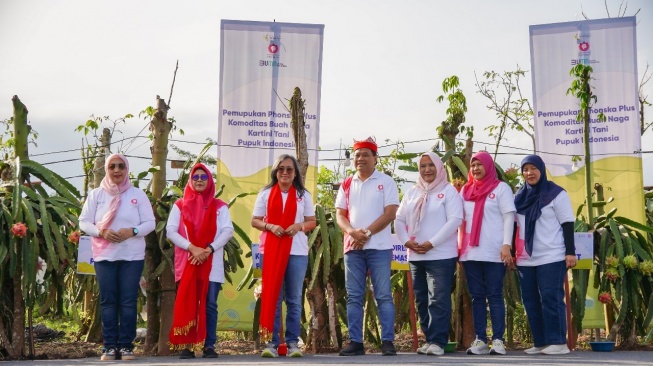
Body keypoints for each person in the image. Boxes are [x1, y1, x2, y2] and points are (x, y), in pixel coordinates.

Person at [79, 153, 155, 361]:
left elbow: (150, 223)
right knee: (108, 301)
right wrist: (101, 232)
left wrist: (133, 231)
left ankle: (126, 346)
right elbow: (84, 222)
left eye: (121, 166)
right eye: (112, 166)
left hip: (132, 256)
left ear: (127, 169)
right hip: (104, 256)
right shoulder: (96, 195)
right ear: (107, 169)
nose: (117, 170)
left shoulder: (138, 195)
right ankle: (110, 347)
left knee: (129, 301)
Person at [335, 137, 400, 356]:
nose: (360, 159)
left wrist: (368, 233)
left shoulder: (386, 182)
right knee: (354, 296)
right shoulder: (346, 183)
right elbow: (340, 216)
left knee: (383, 295)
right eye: (357, 155)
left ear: (375, 158)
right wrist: (353, 233)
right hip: (352, 248)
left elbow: (390, 213)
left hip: (379, 247)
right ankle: (356, 342)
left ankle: (388, 342)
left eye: (365, 154)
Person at [395, 152, 463, 356]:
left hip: (441, 255)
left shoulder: (448, 191)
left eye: (431, 165)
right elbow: (399, 220)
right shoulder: (412, 192)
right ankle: (429, 338)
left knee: (438, 299)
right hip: (416, 256)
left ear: (439, 167)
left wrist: (431, 243)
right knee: (422, 300)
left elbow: (455, 220)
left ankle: (439, 342)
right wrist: (407, 241)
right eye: (423, 166)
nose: (427, 170)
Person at [251, 154, 316, 358]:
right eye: (281, 169)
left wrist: (299, 226)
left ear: (295, 172)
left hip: (296, 251)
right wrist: (270, 226)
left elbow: (312, 222)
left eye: (289, 169)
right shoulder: (266, 193)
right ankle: (271, 343)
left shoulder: (303, 195)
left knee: (295, 299)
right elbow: (255, 221)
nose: (285, 172)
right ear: (275, 172)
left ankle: (292, 343)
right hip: (271, 250)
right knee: (273, 297)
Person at [167, 163, 234, 359]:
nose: (199, 180)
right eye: (195, 177)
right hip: (188, 261)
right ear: (190, 180)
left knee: (210, 304)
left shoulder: (219, 206)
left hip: (211, 262)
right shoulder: (180, 205)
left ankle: (209, 345)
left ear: (209, 181)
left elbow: (227, 231)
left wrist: (209, 249)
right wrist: (193, 249)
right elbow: (170, 231)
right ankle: (187, 346)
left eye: (203, 177)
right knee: (188, 302)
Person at [514, 154, 576, 355]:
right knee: (530, 301)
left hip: (552, 255)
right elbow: (515, 227)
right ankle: (540, 342)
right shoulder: (519, 197)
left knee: (550, 298)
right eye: (525, 169)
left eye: (533, 168)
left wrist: (570, 252)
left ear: (541, 170)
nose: (529, 173)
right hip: (525, 258)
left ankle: (558, 342)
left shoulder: (557, 194)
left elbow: (567, 223)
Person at [459, 151, 515, 355]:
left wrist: (506, 245)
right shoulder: (465, 190)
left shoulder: (501, 188)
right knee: (476, 297)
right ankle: (480, 340)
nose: (475, 168)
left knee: (494, 295)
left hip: (494, 251)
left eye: (479, 164)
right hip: (470, 253)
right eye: (472, 165)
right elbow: (458, 220)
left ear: (489, 166)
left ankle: (498, 340)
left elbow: (509, 217)